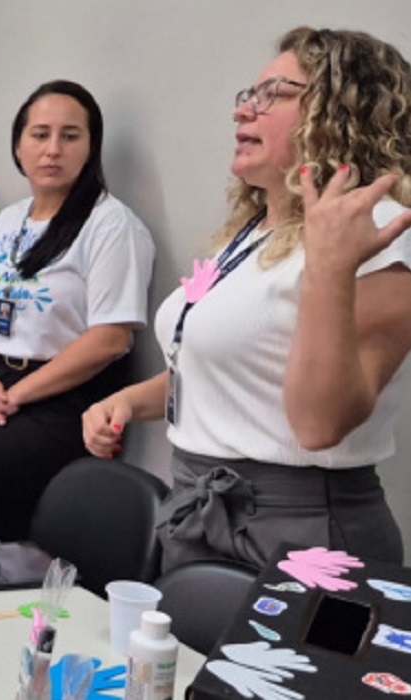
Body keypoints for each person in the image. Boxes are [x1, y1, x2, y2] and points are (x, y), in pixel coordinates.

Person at [83, 27, 411, 571]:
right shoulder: (250, 233)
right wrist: (129, 402)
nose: (243, 111)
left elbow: (321, 425)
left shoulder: (378, 230)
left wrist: (329, 266)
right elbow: (227, 364)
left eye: (274, 94)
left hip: (304, 532)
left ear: (340, 112)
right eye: (249, 95)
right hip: (202, 507)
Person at [0, 81, 155, 541]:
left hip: (66, 401)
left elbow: (110, 339)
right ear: (18, 145)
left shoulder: (111, 224)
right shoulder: (11, 218)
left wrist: (14, 396)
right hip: (0, 384)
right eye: (40, 135)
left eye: (70, 136)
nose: (53, 149)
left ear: (91, 147)